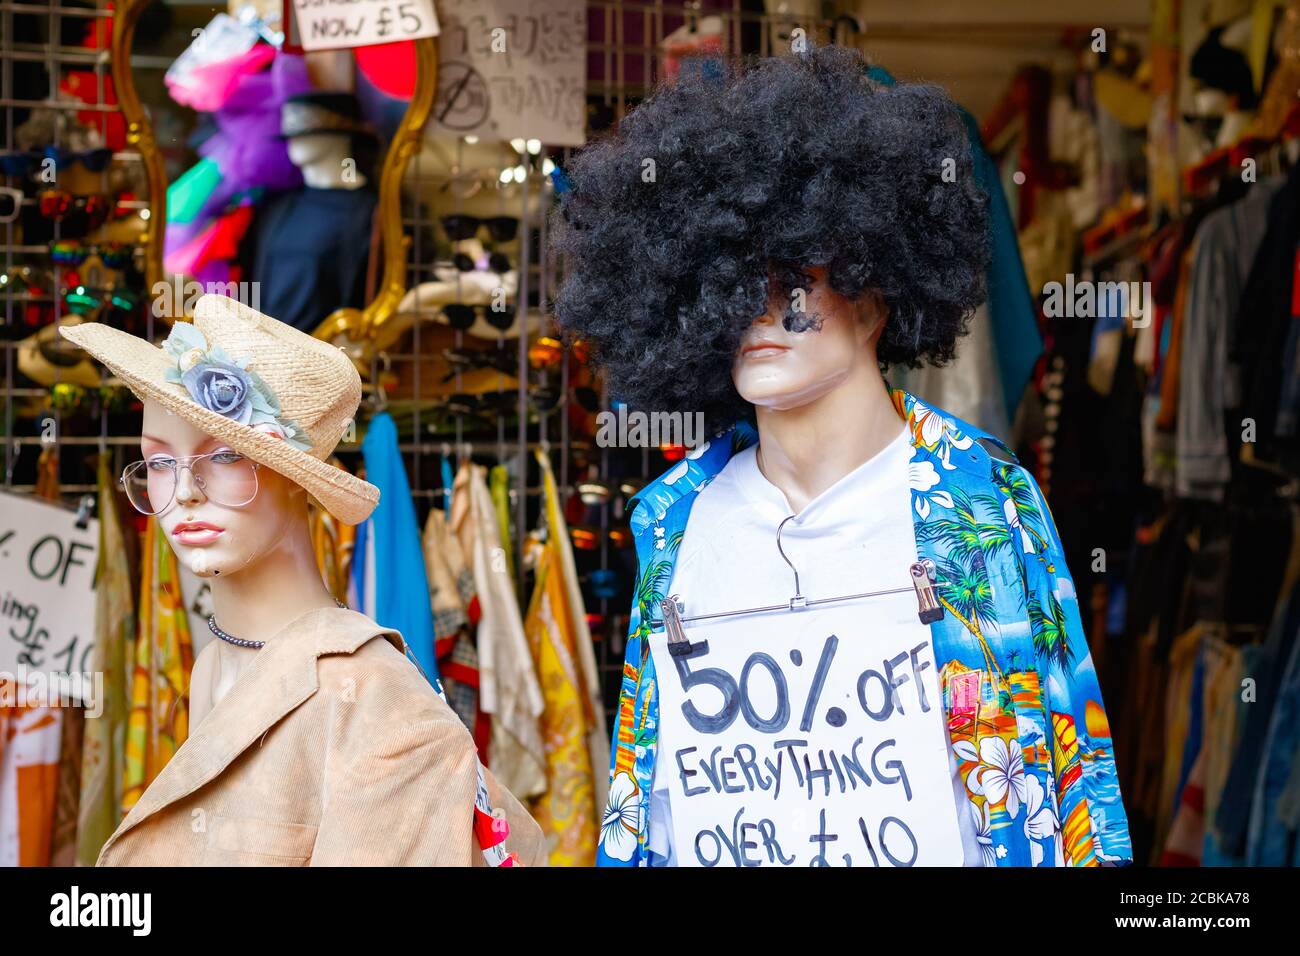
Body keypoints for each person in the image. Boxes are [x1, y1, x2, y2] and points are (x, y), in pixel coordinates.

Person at [553, 44, 1133, 867]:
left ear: (873, 288)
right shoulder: (672, 520)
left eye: (791, 280)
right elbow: (646, 803)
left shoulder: (980, 504)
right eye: (722, 279)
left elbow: (1076, 790)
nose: (754, 311)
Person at [60, 293, 544, 866]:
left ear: (297, 481)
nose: (184, 492)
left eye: (223, 458)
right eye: (160, 462)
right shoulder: (214, 665)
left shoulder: (378, 705)